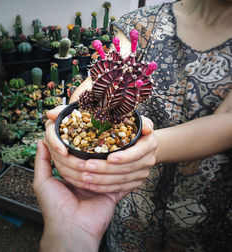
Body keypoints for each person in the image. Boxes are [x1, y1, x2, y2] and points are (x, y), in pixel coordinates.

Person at [34, 0, 232, 251]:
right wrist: (70, 123)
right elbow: (106, 72)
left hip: (205, 205)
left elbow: (227, 119)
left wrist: (149, 149)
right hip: (127, 196)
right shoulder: (143, 22)